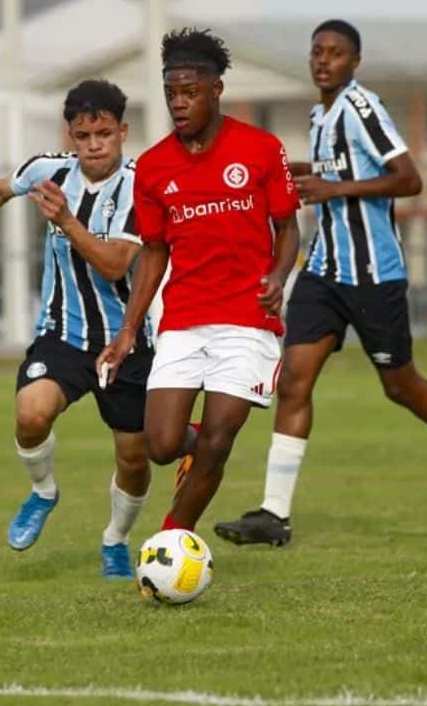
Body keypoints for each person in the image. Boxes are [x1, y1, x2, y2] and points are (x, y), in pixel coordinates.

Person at [214, 19, 427, 548]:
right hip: (324, 271)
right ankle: (274, 514)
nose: (323, 60)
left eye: (334, 53)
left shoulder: (361, 107)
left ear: (354, 62)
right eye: (317, 51)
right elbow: (331, 170)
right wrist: (279, 170)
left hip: (373, 275)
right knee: (294, 381)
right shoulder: (321, 113)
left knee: (401, 386)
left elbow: (409, 177)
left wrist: (337, 188)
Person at [0, 79, 153, 579]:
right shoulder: (48, 170)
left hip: (127, 342)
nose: (94, 144)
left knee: (135, 459)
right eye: (83, 134)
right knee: (31, 414)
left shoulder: (144, 185)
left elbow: (116, 265)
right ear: (70, 135)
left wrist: (69, 222)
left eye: (104, 133)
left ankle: (115, 539)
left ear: (123, 131)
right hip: (64, 336)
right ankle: (43, 492)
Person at [97, 28, 302, 535]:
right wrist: (128, 330)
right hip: (184, 319)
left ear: (216, 90)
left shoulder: (260, 149)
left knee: (218, 439)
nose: (179, 104)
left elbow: (288, 228)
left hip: (247, 321)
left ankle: (171, 542)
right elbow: (153, 250)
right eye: (171, 94)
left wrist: (278, 277)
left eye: (189, 92)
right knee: (163, 445)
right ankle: (190, 455)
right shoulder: (152, 167)